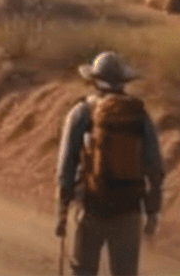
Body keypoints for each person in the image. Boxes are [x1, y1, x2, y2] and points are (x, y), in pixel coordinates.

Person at [55, 51, 164, 276]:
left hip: (91, 206)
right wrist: (152, 211)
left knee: (84, 271)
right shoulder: (139, 115)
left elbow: (66, 164)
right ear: (124, 81)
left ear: (94, 80)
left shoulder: (82, 112)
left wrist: (62, 211)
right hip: (129, 208)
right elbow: (154, 167)